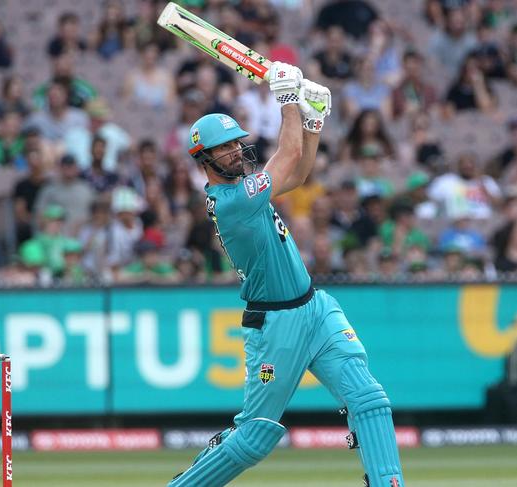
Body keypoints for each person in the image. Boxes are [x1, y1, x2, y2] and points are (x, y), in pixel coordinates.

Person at [168, 61, 404, 487]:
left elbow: (296, 174)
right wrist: (289, 99)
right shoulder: (231, 202)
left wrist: (311, 121)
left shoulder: (247, 190)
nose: (238, 151)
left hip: (315, 307)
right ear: (203, 159)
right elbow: (289, 155)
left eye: (238, 143)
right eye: (225, 149)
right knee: (256, 436)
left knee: (370, 401)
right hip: (275, 325)